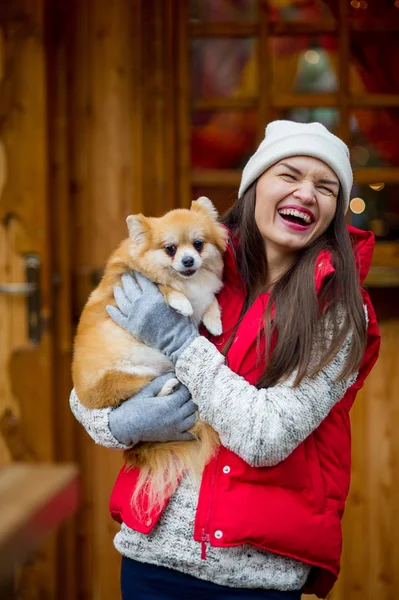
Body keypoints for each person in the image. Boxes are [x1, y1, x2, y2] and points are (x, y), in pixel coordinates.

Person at [70, 120, 380, 600]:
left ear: (335, 210)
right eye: (289, 175)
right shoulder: (191, 263)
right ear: (255, 186)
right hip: (150, 559)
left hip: (253, 578)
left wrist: (174, 338)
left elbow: (265, 437)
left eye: (325, 187)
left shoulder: (339, 310)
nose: (306, 193)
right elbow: (88, 390)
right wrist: (128, 422)